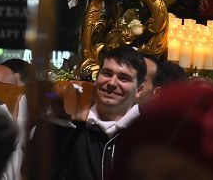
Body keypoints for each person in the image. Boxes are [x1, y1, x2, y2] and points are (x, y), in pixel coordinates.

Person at [50, 46, 146, 180]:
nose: (112, 83)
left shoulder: (149, 136)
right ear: (97, 78)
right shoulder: (71, 128)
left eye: (123, 78)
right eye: (107, 73)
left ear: (139, 90)